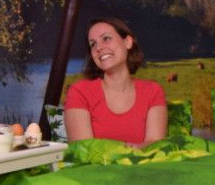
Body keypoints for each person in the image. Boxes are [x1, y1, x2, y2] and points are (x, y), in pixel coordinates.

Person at [64, 16, 167, 147]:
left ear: (127, 42)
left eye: (106, 38)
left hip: (143, 167)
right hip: (95, 168)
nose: (98, 47)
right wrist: (132, 149)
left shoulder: (153, 91)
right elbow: (84, 151)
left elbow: (156, 146)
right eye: (93, 44)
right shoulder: (79, 92)